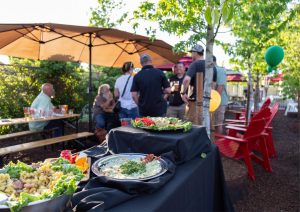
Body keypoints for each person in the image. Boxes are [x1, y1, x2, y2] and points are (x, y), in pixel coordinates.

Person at [180, 44, 217, 122]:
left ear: (195, 53)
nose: (191, 55)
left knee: (192, 127)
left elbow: (186, 80)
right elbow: (213, 85)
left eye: (192, 53)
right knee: (205, 127)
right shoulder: (212, 66)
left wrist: (183, 93)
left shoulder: (195, 64)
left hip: (195, 103)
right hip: (208, 103)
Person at [213, 56, 228, 133]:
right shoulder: (210, 70)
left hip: (219, 102)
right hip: (213, 102)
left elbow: (220, 88)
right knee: (213, 124)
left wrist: (213, 103)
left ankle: (219, 144)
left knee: (218, 124)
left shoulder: (220, 70)